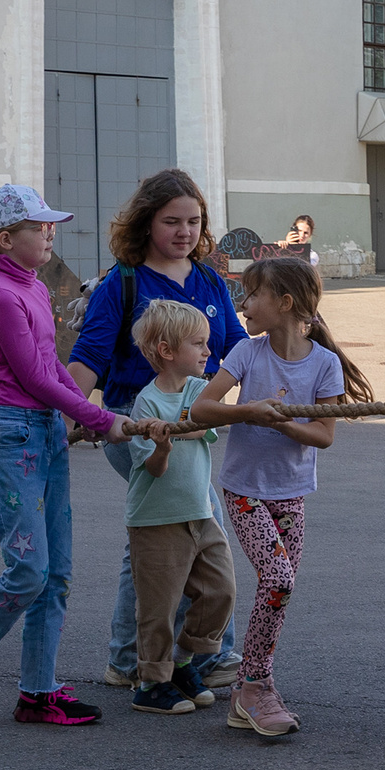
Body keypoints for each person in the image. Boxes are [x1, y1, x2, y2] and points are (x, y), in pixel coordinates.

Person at [0, 185, 152, 727]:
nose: (51, 232)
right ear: (7, 239)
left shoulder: (33, 291)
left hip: (45, 431)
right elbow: (30, 378)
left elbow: (50, 371)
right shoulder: (0, 297)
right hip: (11, 436)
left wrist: (78, 416)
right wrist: (100, 418)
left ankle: (38, 691)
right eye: (39, 227)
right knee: (28, 570)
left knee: (57, 573)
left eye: (51, 224)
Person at [67, 169, 248, 692]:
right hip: (136, 423)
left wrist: (284, 384)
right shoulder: (121, 281)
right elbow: (89, 359)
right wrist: (64, 419)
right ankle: (209, 656)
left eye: (193, 221)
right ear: (146, 223)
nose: (184, 231)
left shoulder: (209, 279)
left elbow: (236, 351)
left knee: (150, 539)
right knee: (194, 522)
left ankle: (130, 660)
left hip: (190, 422)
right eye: (172, 221)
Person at [189, 256, 373, 737]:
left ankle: (248, 691)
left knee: (279, 590)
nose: (243, 304)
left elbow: (324, 435)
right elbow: (201, 409)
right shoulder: (246, 354)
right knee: (278, 579)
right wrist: (248, 411)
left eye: (252, 295)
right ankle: (254, 684)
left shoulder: (324, 363)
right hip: (245, 489)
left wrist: (281, 421)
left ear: (285, 303)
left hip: (290, 495)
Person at [119, 300, 236, 717]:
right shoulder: (146, 405)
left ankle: (183, 661)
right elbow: (152, 467)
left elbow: (204, 423)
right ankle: (151, 682)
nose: (208, 352)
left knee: (220, 591)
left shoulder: (196, 392)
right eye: (199, 344)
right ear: (168, 351)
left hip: (200, 514)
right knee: (159, 607)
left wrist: (182, 427)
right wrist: (162, 444)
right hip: (156, 520)